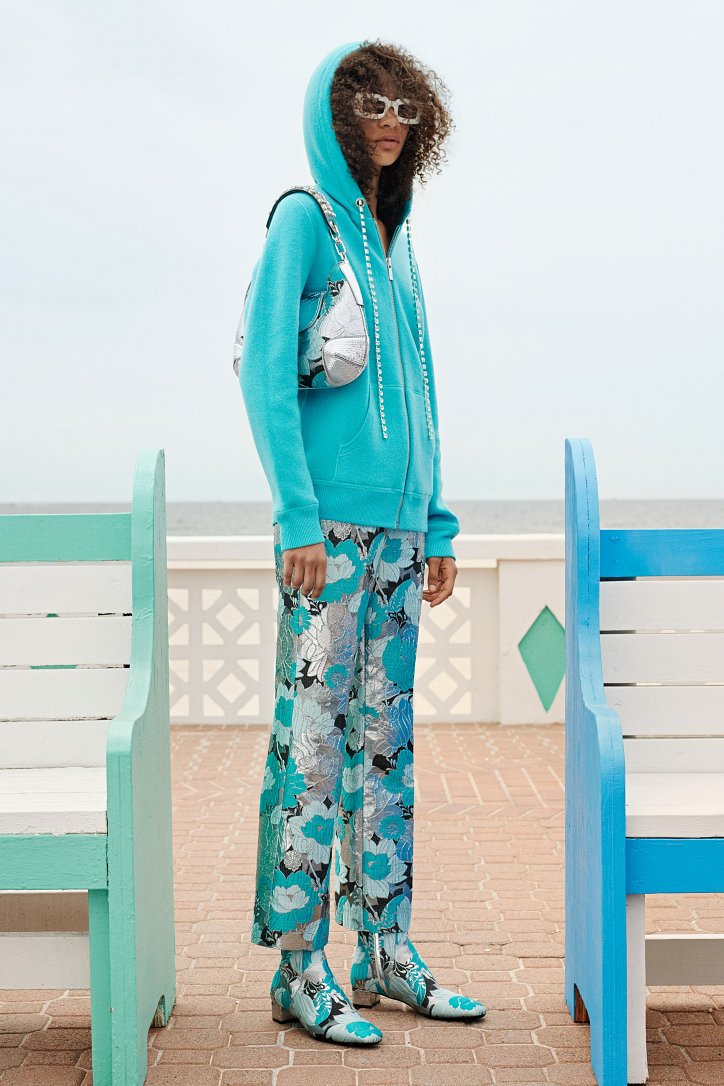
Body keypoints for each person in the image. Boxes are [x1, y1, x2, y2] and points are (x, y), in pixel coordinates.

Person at [238, 38, 487, 1045]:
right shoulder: (303, 221)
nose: (390, 122)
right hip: (328, 534)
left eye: (404, 108)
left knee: (385, 746)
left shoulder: (400, 242)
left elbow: (421, 386)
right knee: (313, 742)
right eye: (371, 104)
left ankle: (384, 951)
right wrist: (296, 518)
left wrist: (436, 519)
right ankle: (299, 967)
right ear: (337, 114)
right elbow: (263, 371)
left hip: (399, 535)